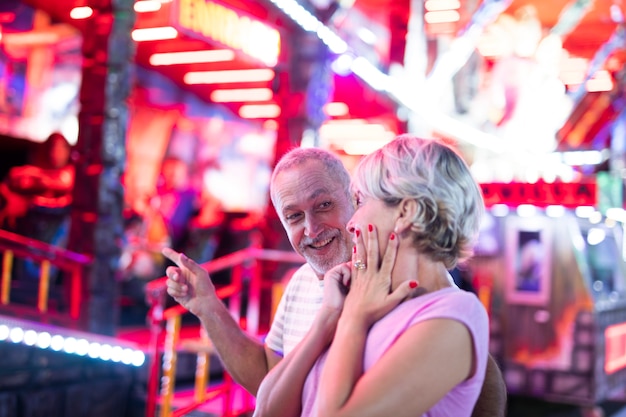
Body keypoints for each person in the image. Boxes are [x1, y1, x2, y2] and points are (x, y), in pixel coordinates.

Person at [163, 143, 506, 415]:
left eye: (325, 205)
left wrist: (352, 316)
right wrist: (209, 308)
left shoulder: (424, 300)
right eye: (294, 216)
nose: (311, 229)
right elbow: (269, 394)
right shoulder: (309, 283)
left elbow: (478, 386)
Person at [253, 135, 491, 416]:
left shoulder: (454, 312)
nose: (352, 221)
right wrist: (330, 314)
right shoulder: (365, 292)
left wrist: (353, 317)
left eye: (361, 201)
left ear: (406, 212)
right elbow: (267, 409)